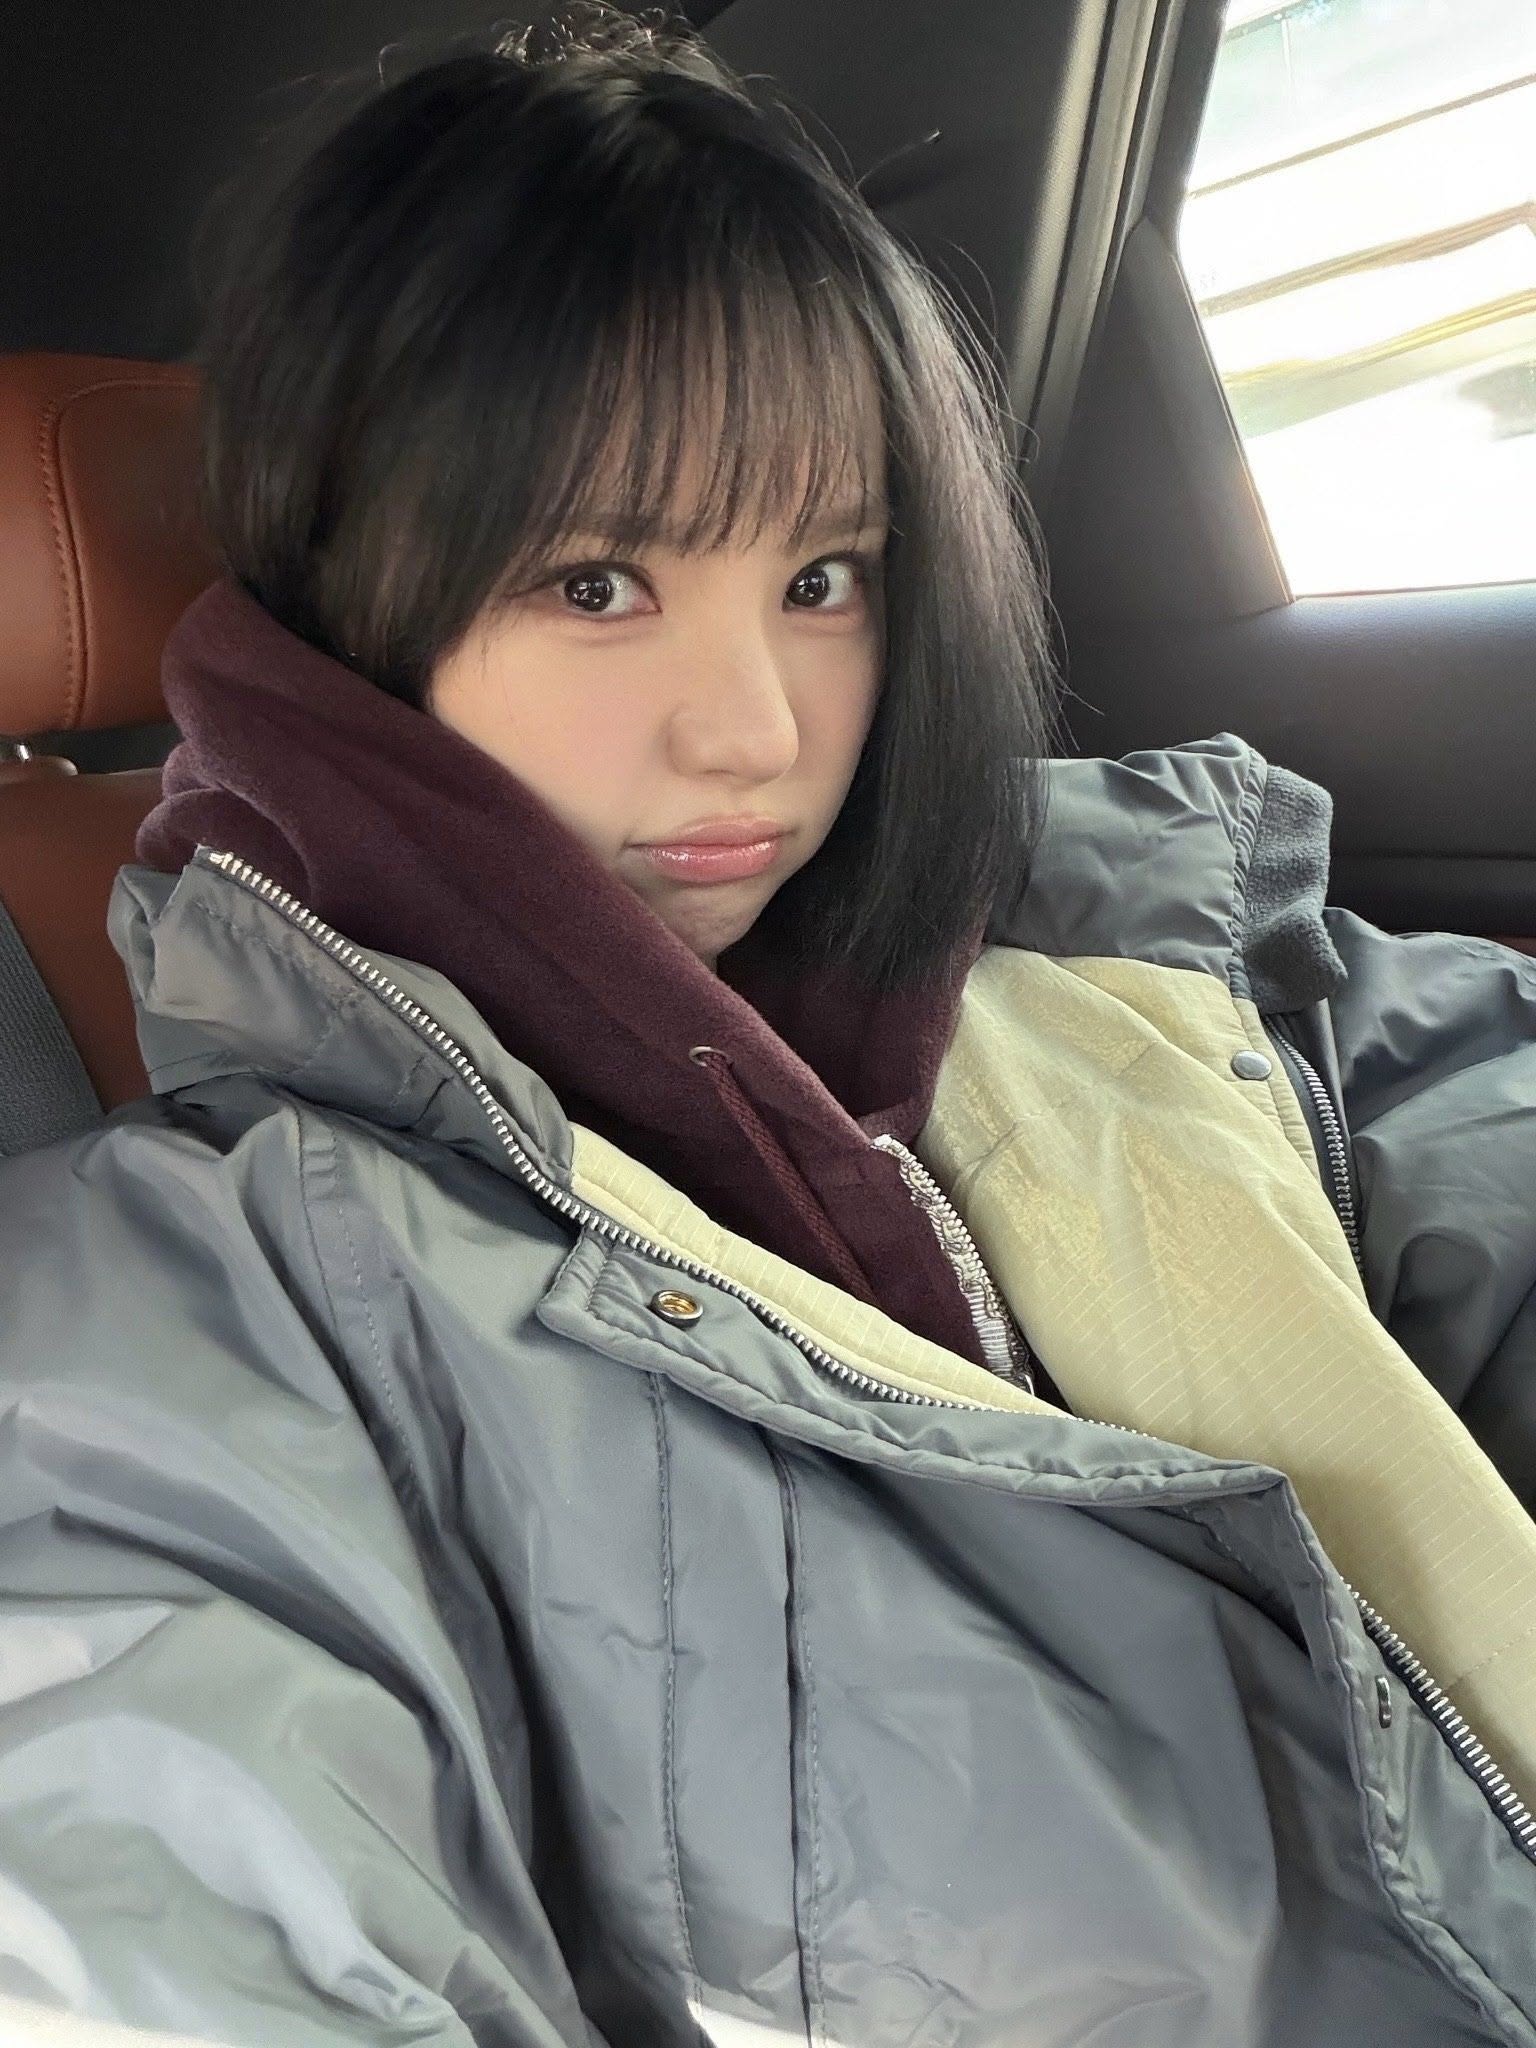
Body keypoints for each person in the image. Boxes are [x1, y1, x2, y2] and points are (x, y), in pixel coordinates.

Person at [1, 7, 1534, 2043]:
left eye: (823, 577)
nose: (756, 733)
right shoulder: (212, 1307)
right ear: (358, 595)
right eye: (596, 583)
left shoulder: (1153, 959)